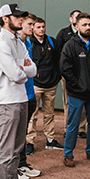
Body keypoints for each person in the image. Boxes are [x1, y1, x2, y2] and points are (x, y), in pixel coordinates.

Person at [0, 3, 36, 179]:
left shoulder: (18, 42)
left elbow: (33, 69)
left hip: (21, 99)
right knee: (5, 149)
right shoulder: (0, 44)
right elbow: (17, 75)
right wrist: (22, 67)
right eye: (16, 16)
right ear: (5, 19)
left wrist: (21, 67)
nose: (21, 19)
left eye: (21, 16)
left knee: (17, 148)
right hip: (7, 102)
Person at [60, 12, 90, 167]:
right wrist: (77, 84)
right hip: (77, 94)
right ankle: (68, 154)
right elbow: (65, 69)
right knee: (73, 125)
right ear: (77, 27)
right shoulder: (70, 45)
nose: (88, 27)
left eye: (89, 24)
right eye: (84, 25)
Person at [28, 17, 64, 150]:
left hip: (51, 85)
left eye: (43, 26)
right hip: (35, 85)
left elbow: (59, 61)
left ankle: (50, 140)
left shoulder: (52, 42)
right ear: (33, 28)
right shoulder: (29, 44)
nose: (41, 29)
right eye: (38, 27)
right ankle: (29, 142)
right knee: (32, 115)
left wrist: (56, 77)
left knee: (49, 114)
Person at [17, 14, 41, 179]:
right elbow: (18, 69)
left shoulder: (28, 43)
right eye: (30, 24)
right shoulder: (15, 43)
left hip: (30, 94)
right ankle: (15, 169)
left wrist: (28, 68)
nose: (33, 27)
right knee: (16, 136)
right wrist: (28, 68)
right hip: (18, 95)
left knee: (23, 133)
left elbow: (32, 68)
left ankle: (22, 163)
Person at [56, 10, 86, 138]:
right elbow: (57, 54)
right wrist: (62, 72)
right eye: (76, 17)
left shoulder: (85, 34)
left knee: (83, 101)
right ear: (71, 19)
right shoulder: (63, 34)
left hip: (82, 75)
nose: (78, 18)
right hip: (67, 75)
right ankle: (68, 128)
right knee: (68, 102)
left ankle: (81, 129)